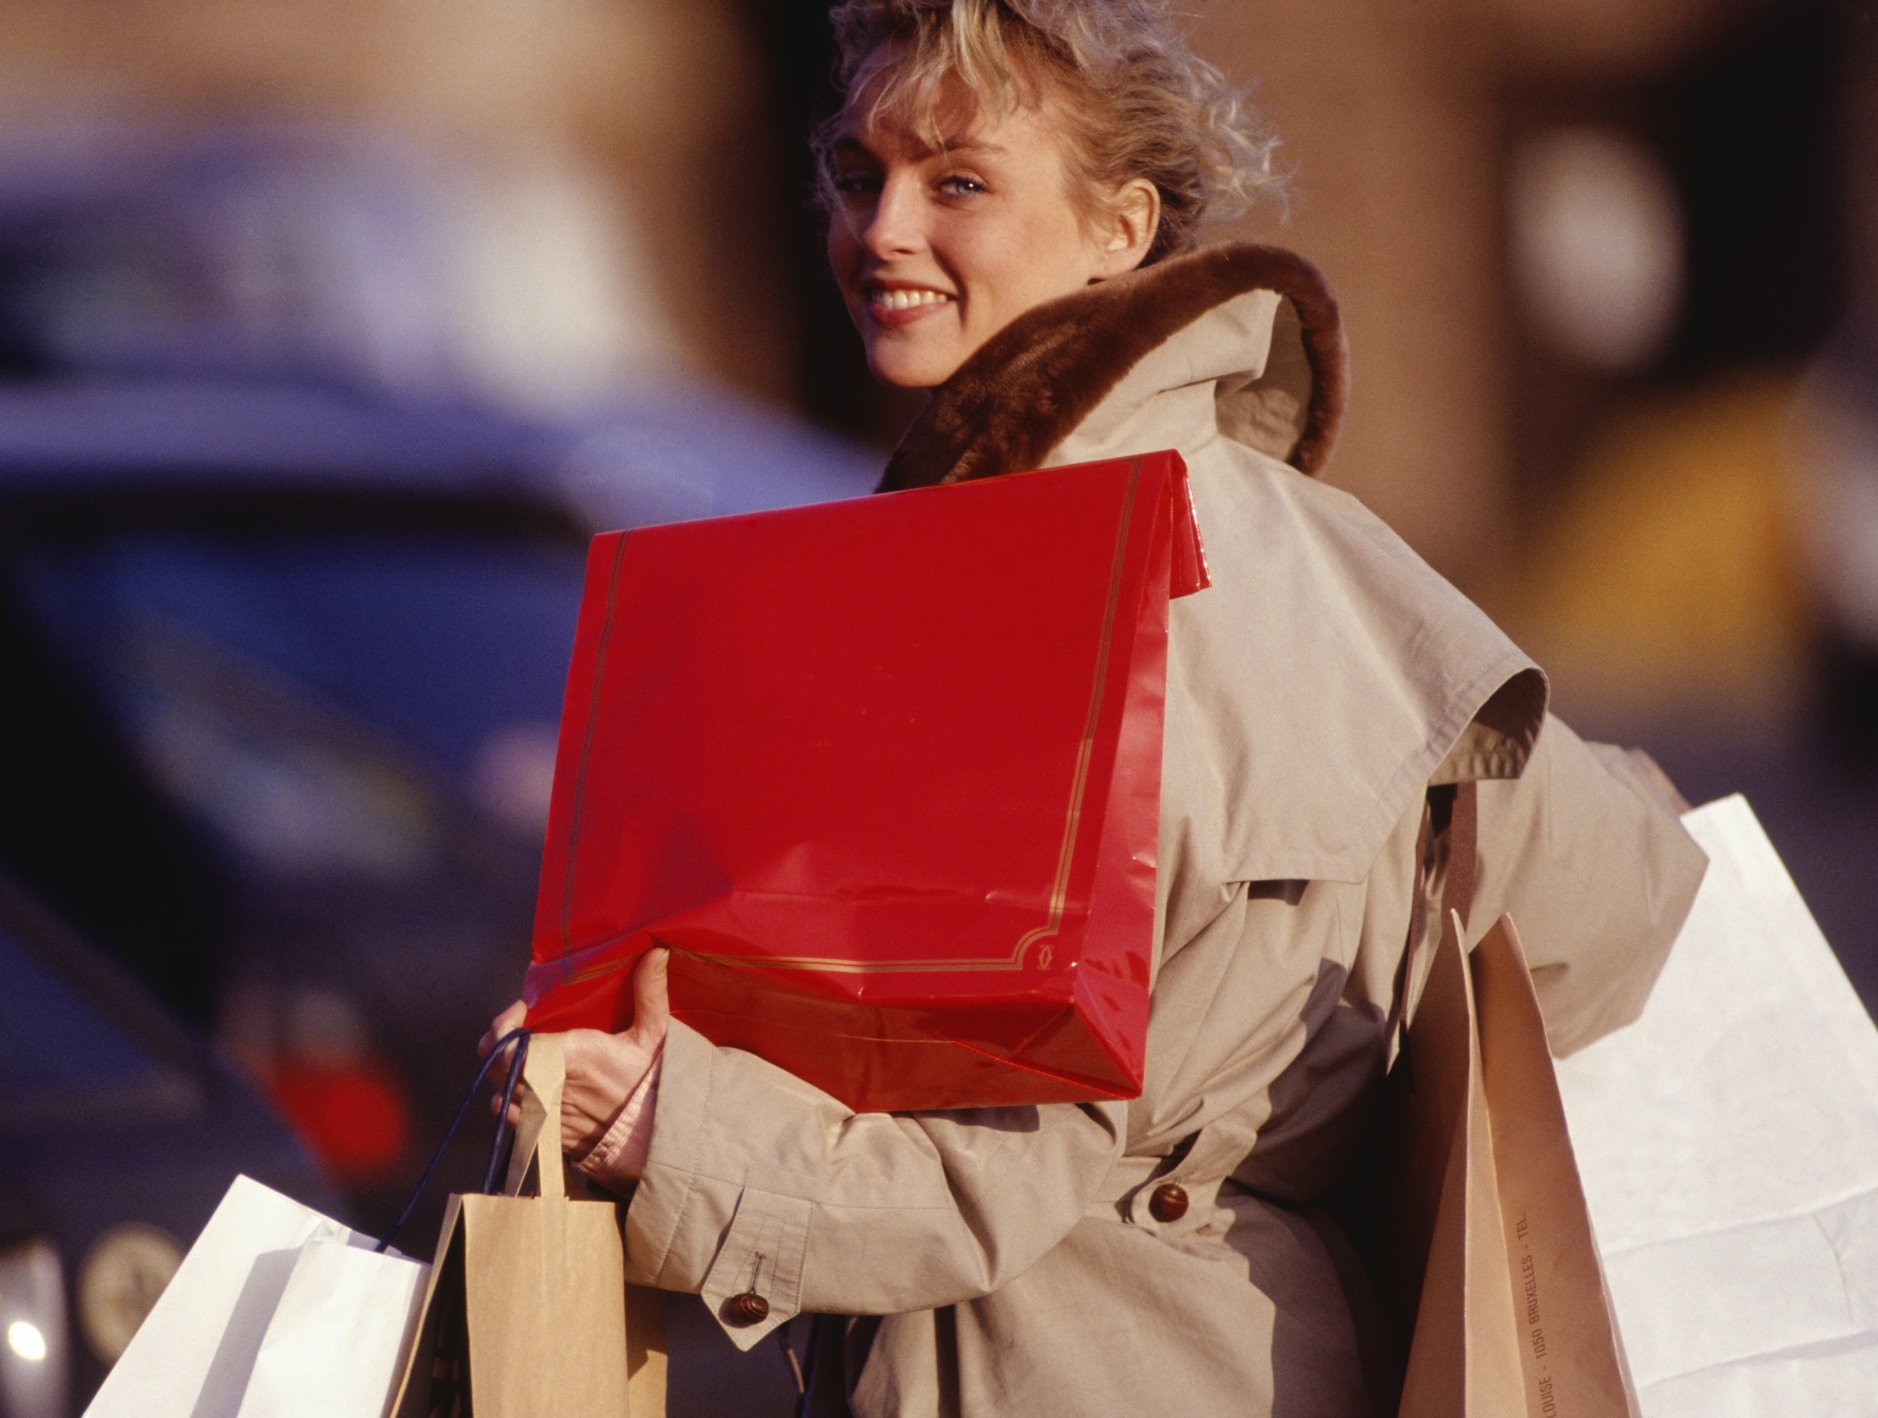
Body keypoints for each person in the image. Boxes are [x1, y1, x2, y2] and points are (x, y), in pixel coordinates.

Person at [481, 2, 1706, 1412]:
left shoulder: (1084, 598)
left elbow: (996, 1167)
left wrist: (644, 1112)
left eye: (956, 183)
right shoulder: (1267, 538)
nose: (880, 229)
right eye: (857, 175)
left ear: (1120, 226)